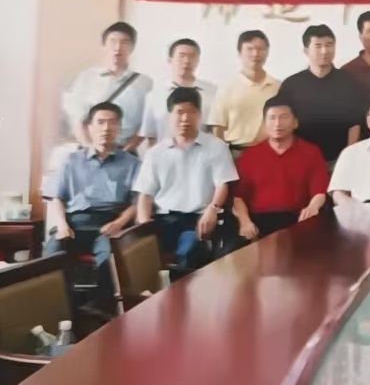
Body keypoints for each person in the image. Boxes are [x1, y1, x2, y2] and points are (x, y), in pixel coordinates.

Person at [43, 102, 140, 304]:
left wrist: (119, 223)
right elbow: (56, 197)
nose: (106, 128)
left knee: (109, 258)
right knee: (51, 256)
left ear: (119, 127)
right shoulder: (71, 161)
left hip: (109, 223)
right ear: (89, 127)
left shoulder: (132, 163)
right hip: (73, 224)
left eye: (112, 123)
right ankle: (63, 309)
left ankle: (98, 310)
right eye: (101, 122)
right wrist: (61, 224)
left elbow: (137, 201)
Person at [135, 87, 238, 270]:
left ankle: (181, 288)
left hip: (199, 218)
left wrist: (212, 209)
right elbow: (145, 195)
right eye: (179, 112)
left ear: (199, 115)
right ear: (169, 116)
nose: (185, 118)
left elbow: (222, 184)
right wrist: (144, 226)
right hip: (164, 219)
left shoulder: (216, 147)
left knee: (188, 252)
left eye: (191, 112)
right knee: (136, 254)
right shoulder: (155, 153)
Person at [232, 97, 328, 245]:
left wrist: (312, 207)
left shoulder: (311, 152)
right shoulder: (250, 155)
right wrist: (245, 222)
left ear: (295, 122)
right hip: (259, 220)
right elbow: (239, 197)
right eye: (272, 118)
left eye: (283, 117)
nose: (277, 123)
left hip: (297, 219)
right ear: (264, 124)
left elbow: (319, 192)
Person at [278, 24, 366, 166]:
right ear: (306, 51)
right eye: (318, 46)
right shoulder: (291, 85)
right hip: (302, 160)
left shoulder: (349, 81)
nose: (325, 51)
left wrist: (348, 158)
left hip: (338, 160)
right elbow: (285, 125)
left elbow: (355, 124)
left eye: (329, 45)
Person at [61, 22, 153, 152]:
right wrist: (90, 148)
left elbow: (147, 122)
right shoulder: (87, 78)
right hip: (90, 151)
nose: (118, 48)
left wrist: (127, 151)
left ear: (132, 48)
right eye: (113, 42)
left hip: (124, 152)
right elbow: (78, 119)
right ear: (103, 46)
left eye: (124, 42)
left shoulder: (144, 83)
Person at [209, 30, 281, 157]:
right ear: (239, 52)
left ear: (267, 52)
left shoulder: (278, 87)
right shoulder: (227, 88)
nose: (255, 54)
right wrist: (221, 156)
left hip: (271, 153)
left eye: (260, 49)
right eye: (250, 49)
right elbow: (218, 127)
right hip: (236, 153)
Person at [139, 38, 218, 147]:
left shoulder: (212, 93)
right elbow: (151, 137)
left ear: (198, 60)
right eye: (182, 56)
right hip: (165, 154)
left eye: (192, 56)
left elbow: (216, 131)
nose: (187, 61)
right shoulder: (155, 95)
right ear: (170, 59)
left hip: (202, 154)